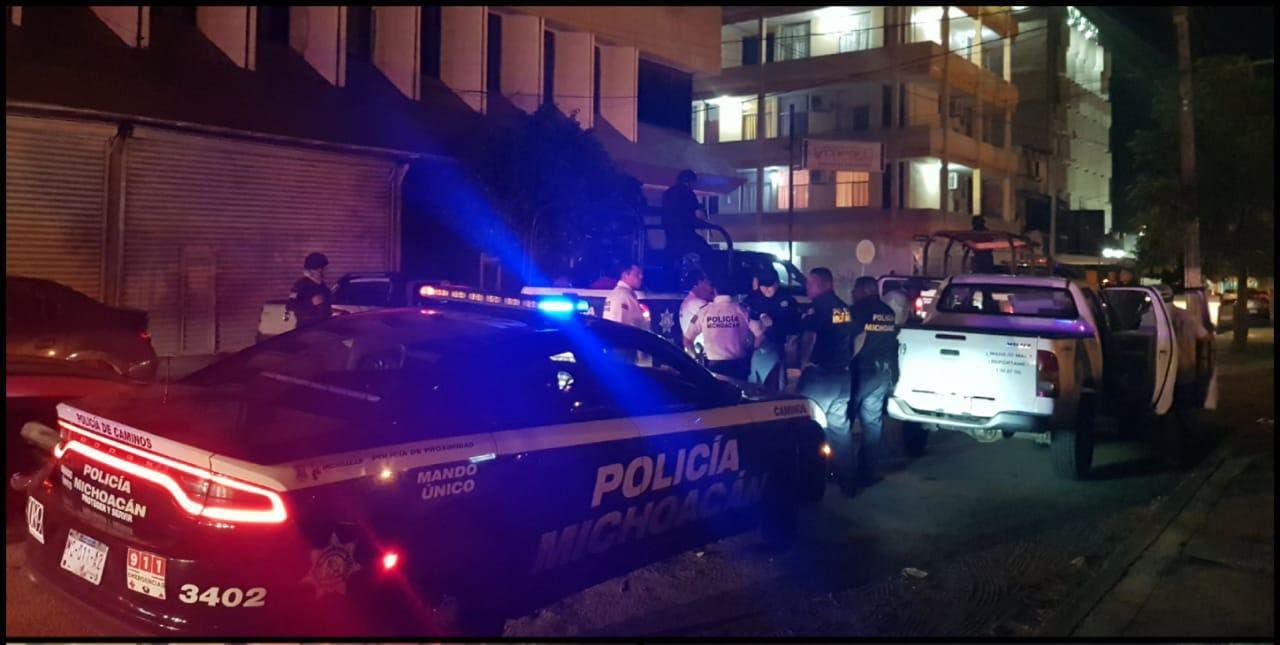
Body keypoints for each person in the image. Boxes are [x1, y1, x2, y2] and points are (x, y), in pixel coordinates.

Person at [796, 268, 855, 488]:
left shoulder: (819, 307)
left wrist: (803, 363)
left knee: (806, 425)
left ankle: (809, 479)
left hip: (821, 376)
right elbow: (856, 335)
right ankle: (847, 478)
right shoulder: (844, 308)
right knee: (840, 429)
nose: (807, 287)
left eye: (810, 283)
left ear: (822, 284)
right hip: (842, 377)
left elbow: (810, 336)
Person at [847, 276, 899, 491]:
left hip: (861, 372)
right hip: (882, 374)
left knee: (844, 422)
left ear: (865, 290)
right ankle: (867, 473)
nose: (853, 293)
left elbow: (849, 339)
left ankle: (843, 472)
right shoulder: (888, 312)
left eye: (855, 289)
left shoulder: (856, 311)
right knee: (872, 424)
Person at [683, 277, 754, 380]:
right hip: (738, 367)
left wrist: (696, 358)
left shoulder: (704, 311)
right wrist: (751, 351)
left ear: (715, 290)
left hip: (714, 368)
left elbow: (687, 339)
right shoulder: (742, 310)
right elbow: (759, 334)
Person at [745, 268, 800, 391]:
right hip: (756, 348)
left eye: (770, 286)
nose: (767, 289)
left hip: (777, 347)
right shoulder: (753, 299)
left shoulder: (787, 300)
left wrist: (773, 323)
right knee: (754, 384)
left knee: (776, 385)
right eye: (763, 286)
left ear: (777, 283)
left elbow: (795, 326)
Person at [661, 169, 714, 270]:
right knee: (706, 251)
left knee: (671, 255)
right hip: (685, 233)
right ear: (690, 181)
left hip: (670, 232)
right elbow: (694, 213)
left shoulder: (668, 193)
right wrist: (702, 223)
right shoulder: (688, 194)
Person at [287, 252, 333, 329]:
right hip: (306, 329)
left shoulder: (323, 286)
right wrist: (311, 302)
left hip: (322, 328)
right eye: (325, 268)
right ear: (318, 270)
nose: (327, 271)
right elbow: (290, 305)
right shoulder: (300, 285)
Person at [679, 269, 715, 358]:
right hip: (700, 354)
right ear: (700, 283)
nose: (711, 289)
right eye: (709, 284)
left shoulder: (689, 301)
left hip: (694, 352)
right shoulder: (696, 303)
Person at [603, 262, 649, 330]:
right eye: (637, 274)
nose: (641, 276)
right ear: (625, 275)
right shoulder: (625, 296)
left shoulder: (614, 294)